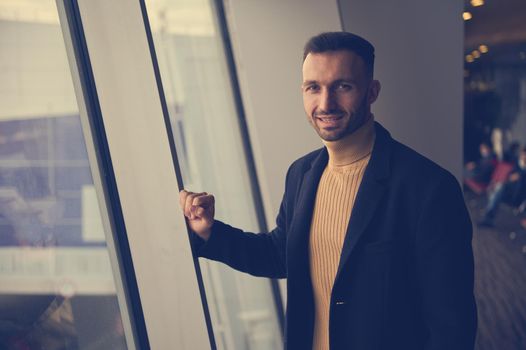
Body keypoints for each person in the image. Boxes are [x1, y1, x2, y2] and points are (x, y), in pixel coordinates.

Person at [179, 32, 477, 350]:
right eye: (314, 88)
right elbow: (281, 255)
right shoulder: (301, 174)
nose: (325, 103)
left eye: (342, 86)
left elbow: (451, 327)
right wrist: (209, 232)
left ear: (371, 91)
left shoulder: (429, 188)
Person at [479, 146, 526, 227]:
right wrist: (512, 177)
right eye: (523, 155)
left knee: (498, 190)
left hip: (521, 197)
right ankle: (488, 219)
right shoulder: (517, 164)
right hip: (511, 194)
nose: (523, 157)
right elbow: (508, 177)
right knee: (500, 187)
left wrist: (521, 175)